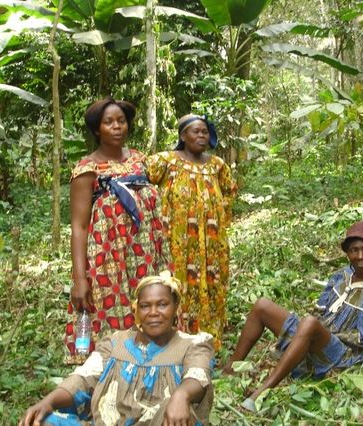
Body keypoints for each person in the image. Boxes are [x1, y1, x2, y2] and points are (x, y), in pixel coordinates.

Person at [222, 221, 363, 411]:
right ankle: (229, 369)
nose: (360, 256)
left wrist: (320, 333)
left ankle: (261, 392)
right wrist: (308, 332)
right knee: (262, 305)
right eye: (354, 250)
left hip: (345, 352)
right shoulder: (342, 275)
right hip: (318, 333)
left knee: (310, 324)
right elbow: (319, 309)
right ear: (347, 253)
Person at [20, 274, 214, 426]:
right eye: (146, 306)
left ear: (175, 308)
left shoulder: (194, 344)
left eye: (162, 304)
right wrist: (48, 402)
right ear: (136, 311)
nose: (154, 312)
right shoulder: (114, 344)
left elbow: (198, 375)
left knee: (167, 408)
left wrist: (181, 396)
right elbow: (83, 378)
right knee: (42, 422)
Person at [65, 97, 172, 364]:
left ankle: (153, 361)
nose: (117, 127)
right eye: (109, 122)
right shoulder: (87, 170)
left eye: (121, 121)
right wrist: (80, 279)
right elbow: (78, 227)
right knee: (112, 311)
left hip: (146, 255)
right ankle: (113, 368)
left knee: (150, 303)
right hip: (109, 259)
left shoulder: (139, 160)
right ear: (96, 129)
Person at [147, 115, 237, 350]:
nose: (201, 136)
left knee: (211, 284)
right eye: (195, 131)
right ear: (183, 136)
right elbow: (142, 178)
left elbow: (229, 192)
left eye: (205, 132)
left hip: (211, 243)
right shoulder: (166, 161)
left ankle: (208, 341)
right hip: (178, 242)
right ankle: (175, 340)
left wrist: (217, 219)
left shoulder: (217, 165)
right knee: (177, 284)